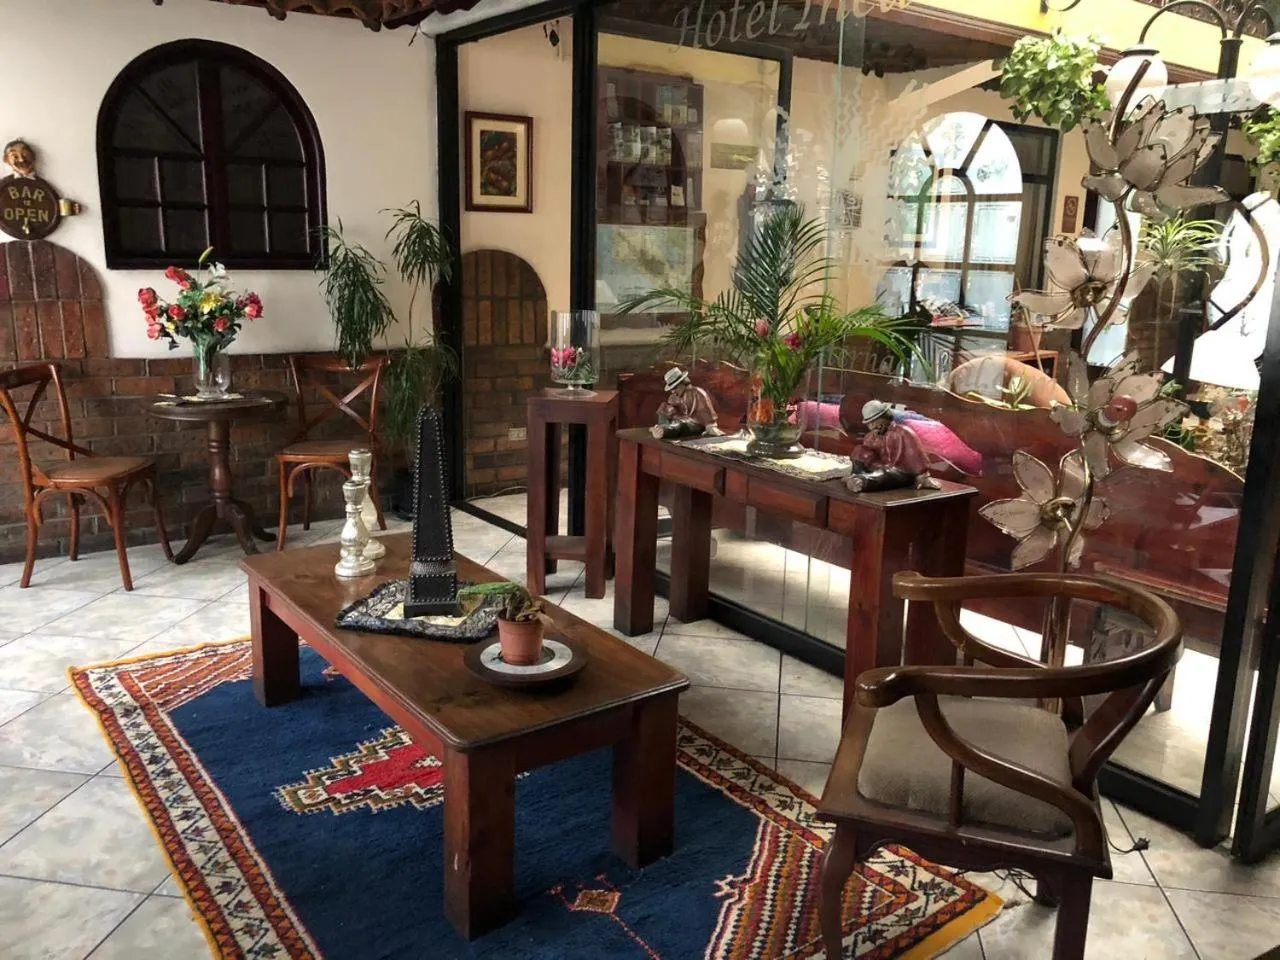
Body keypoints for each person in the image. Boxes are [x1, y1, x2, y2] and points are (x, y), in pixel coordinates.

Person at [846, 400, 939, 493]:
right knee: (859, 451)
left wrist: (923, 477)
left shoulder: (903, 433)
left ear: (886, 417)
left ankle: (862, 481)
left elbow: (917, 457)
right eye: (869, 423)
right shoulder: (870, 437)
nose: (872, 426)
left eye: (875, 421)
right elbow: (865, 454)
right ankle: (855, 476)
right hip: (877, 468)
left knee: (886, 475)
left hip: (899, 473)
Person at [652, 367, 723, 440]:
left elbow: (707, 412)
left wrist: (710, 427)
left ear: (682, 383)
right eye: (671, 389)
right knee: (664, 407)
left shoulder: (697, 393)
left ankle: (663, 431)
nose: (673, 391)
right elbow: (669, 411)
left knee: (680, 425)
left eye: (675, 388)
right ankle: (662, 427)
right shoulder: (673, 397)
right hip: (678, 420)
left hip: (694, 424)